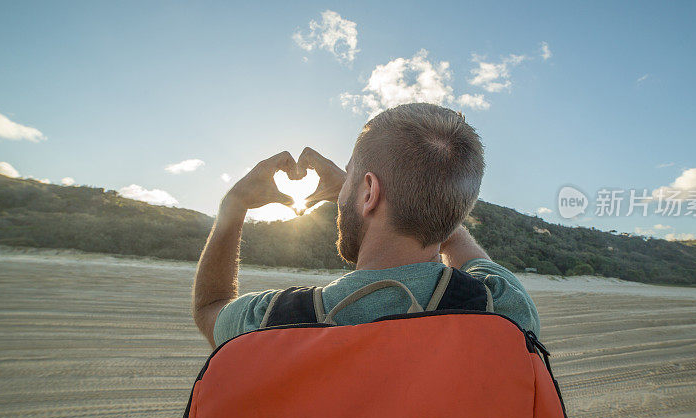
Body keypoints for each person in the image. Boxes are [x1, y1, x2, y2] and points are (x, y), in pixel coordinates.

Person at [191, 102, 540, 349]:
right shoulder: (502, 306)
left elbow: (210, 306)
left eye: (352, 181)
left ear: (370, 191)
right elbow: (464, 247)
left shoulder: (274, 319)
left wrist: (233, 206)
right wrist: (365, 191)